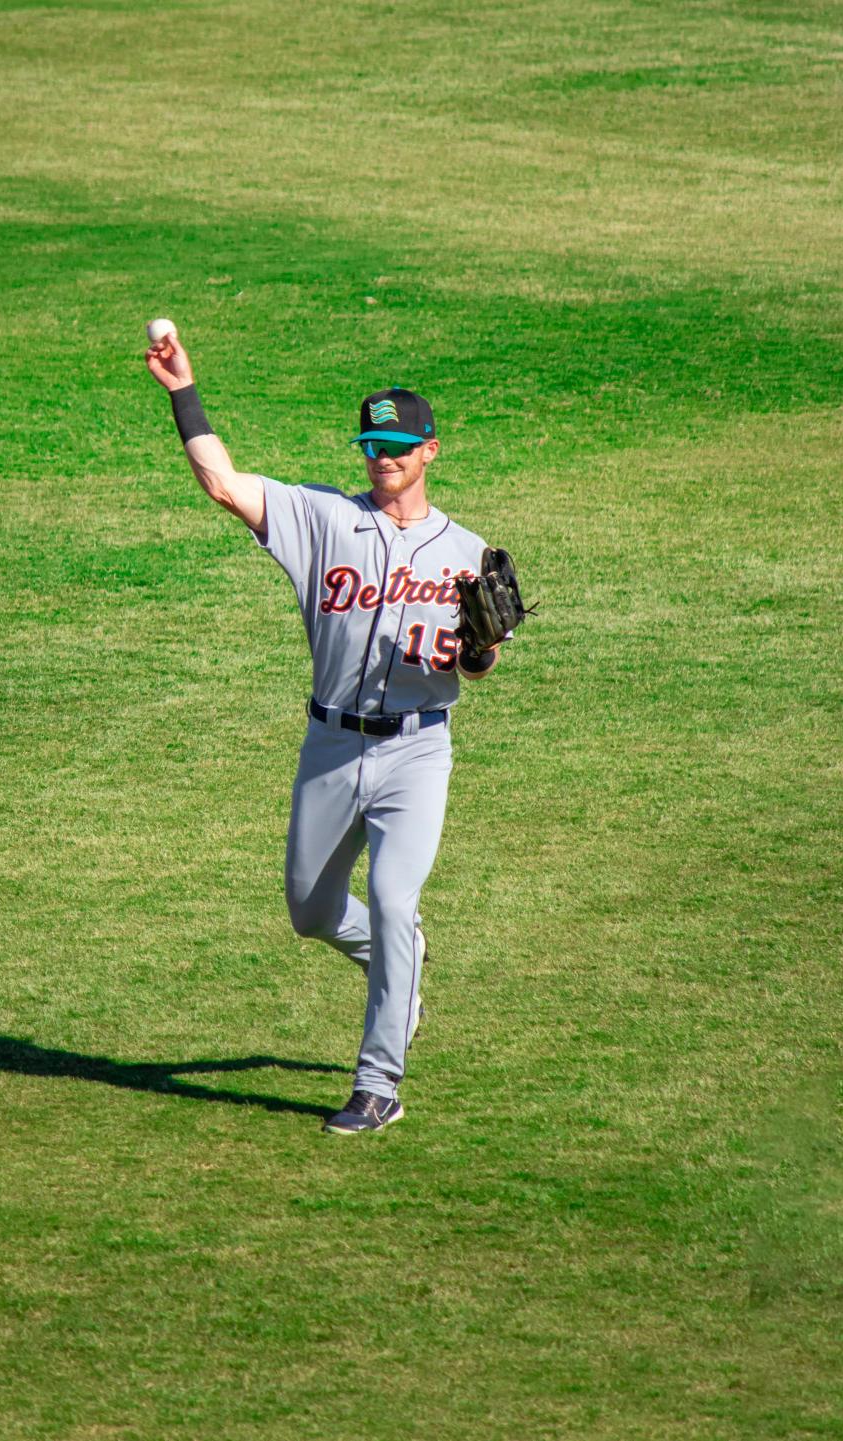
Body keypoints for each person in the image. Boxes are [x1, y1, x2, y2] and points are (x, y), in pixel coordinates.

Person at [145, 330, 502, 1134]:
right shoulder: (321, 517)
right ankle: (395, 969)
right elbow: (222, 483)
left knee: (392, 895)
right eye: (373, 444)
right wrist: (182, 391)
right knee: (309, 910)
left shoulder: (468, 552)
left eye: (399, 445)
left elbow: (481, 670)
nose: (383, 457)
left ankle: (379, 1083)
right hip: (331, 747)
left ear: (430, 450)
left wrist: (477, 650)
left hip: (418, 749)